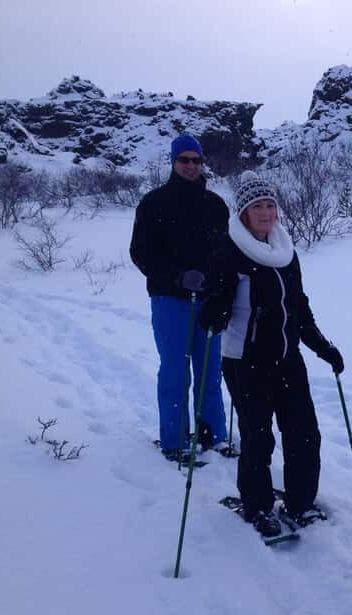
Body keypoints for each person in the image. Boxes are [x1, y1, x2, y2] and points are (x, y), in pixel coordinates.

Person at [199, 170, 344, 537]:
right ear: (244, 212)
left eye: (270, 205)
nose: (265, 212)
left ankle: (300, 502)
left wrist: (322, 346)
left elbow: (298, 306)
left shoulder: (285, 252)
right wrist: (213, 307)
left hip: (287, 359)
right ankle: (257, 506)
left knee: (304, 434)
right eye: (256, 206)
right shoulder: (228, 251)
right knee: (258, 437)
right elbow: (212, 312)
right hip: (245, 361)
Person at [130, 133, 230, 462]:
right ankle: (174, 440)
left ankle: (214, 435)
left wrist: (221, 289)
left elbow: (225, 254)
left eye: (196, 160)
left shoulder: (216, 206)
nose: (190, 165)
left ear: (203, 163)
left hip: (208, 301)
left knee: (210, 371)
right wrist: (176, 276)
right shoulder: (154, 203)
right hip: (170, 300)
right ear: (173, 162)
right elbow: (140, 253)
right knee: (175, 370)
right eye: (184, 160)